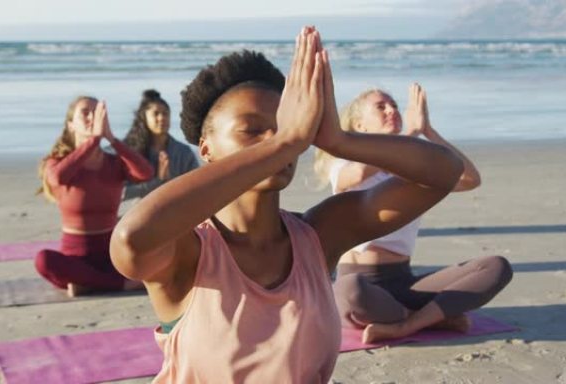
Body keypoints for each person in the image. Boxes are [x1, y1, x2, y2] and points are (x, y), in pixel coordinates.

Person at [110, 27, 463, 383]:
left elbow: (444, 173)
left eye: (283, 127)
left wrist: (339, 140)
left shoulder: (320, 236)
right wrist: (284, 142)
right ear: (205, 148)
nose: (277, 140)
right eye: (252, 130)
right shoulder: (188, 252)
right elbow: (130, 239)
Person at [314, 84, 513, 343]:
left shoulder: (416, 172)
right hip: (358, 282)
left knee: (496, 266)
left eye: (395, 105)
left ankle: (407, 324)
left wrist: (429, 133)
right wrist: (411, 135)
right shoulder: (343, 164)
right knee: (350, 290)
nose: (391, 110)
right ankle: (433, 317)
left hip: (404, 283)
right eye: (381, 106)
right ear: (360, 126)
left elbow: (470, 179)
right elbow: (359, 175)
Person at [36, 96, 154, 296]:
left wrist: (113, 140)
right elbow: (57, 178)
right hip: (75, 259)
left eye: (96, 112)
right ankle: (119, 284)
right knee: (43, 260)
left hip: (113, 255)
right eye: (85, 112)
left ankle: (88, 283)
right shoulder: (56, 163)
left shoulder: (113, 163)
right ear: (71, 125)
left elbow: (145, 172)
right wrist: (94, 140)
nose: (92, 117)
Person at [122, 89, 199, 202]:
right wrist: (158, 183)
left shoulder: (183, 152)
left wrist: (169, 183)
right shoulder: (130, 152)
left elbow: (196, 186)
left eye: (165, 113)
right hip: (137, 214)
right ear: (144, 118)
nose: (161, 118)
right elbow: (122, 193)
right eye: (156, 113)